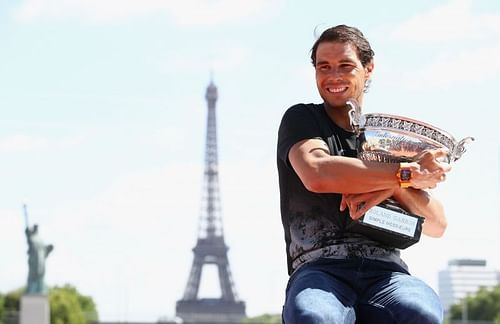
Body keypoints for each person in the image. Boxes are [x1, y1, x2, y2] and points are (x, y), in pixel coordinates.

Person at [277, 24, 451, 324]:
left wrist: (394, 186)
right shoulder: (302, 118)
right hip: (321, 267)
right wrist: (405, 173)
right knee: (315, 316)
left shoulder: (385, 141)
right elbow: (317, 172)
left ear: (368, 68)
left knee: (421, 313)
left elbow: (437, 224)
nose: (333, 76)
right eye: (324, 67)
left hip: (386, 271)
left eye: (345, 66)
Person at [25, 224, 54, 294]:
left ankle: (40, 289)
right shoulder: (31, 237)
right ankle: (31, 290)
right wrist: (27, 232)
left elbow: (44, 250)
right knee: (33, 275)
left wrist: (49, 248)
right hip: (33, 260)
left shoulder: (40, 240)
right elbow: (28, 237)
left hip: (40, 259)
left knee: (41, 273)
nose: (36, 229)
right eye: (35, 228)